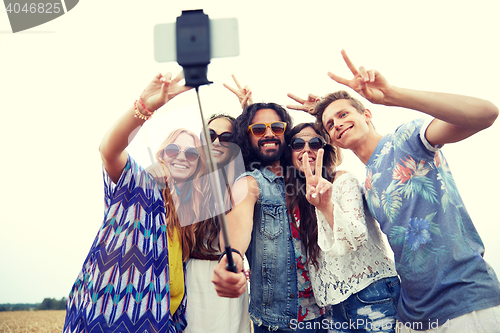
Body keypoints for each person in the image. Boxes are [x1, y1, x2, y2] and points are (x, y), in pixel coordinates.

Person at [289, 50, 500, 332]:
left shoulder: (406, 140)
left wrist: (391, 95)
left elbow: (485, 113)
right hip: (414, 316)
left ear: (367, 114)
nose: (337, 123)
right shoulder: (367, 181)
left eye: (343, 114)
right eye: (330, 124)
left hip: (465, 302)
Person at [63, 72, 206, 332]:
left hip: (165, 322)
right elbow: (108, 150)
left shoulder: (191, 212)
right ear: (162, 155)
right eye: (174, 150)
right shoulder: (140, 186)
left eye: (192, 153)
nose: (182, 157)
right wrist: (144, 106)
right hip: (115, 320)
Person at [211, 103, 328, 332]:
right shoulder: (250, 182)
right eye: (258, 129)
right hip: (277, 321)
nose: (268, 134)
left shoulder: (308, 176)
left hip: (327, 312)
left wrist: (322, 110)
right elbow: (239, 221)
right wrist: (231, 257)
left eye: (276, 127)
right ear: (248, 137)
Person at [285, 122, 399, 333]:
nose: (307, 149)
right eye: (298, 143)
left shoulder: (343, 181)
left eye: (315, 143)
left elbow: (356, 236)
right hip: (331, 305)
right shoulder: (295, 196)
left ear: (325, 150)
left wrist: (325, 205)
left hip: (369, 292)